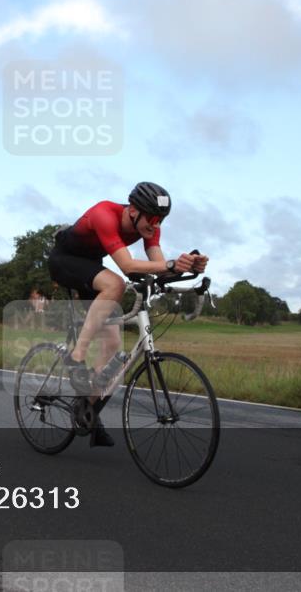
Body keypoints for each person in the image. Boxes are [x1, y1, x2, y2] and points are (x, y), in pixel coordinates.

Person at [47, 182, 208, 447]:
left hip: (91, 268)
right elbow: (127, 266)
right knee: (116, 284)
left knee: (113, 344)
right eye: (152, 219)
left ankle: (87, 410)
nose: (156, 225)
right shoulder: (104, 214)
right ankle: (76, 355)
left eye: (161, 220)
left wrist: (188, 267)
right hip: (64, 261)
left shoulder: (149, 227)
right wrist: (170, 264)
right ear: (133, 210)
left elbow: (159, 266)